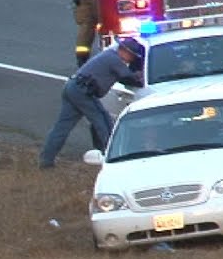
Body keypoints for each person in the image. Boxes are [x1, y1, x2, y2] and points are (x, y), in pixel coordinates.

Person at [39, 38, 144, 168]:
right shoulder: (114, 59)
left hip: (74, 87)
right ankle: (112, 158)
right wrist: (139, 75)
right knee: (103, 122)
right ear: (124, 51)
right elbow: (129, 79)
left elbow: (123, 77)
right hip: (82, 91)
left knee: (62, 127)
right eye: (132, 56)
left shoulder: (109, 55)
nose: (132, 59)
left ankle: (46, 160)